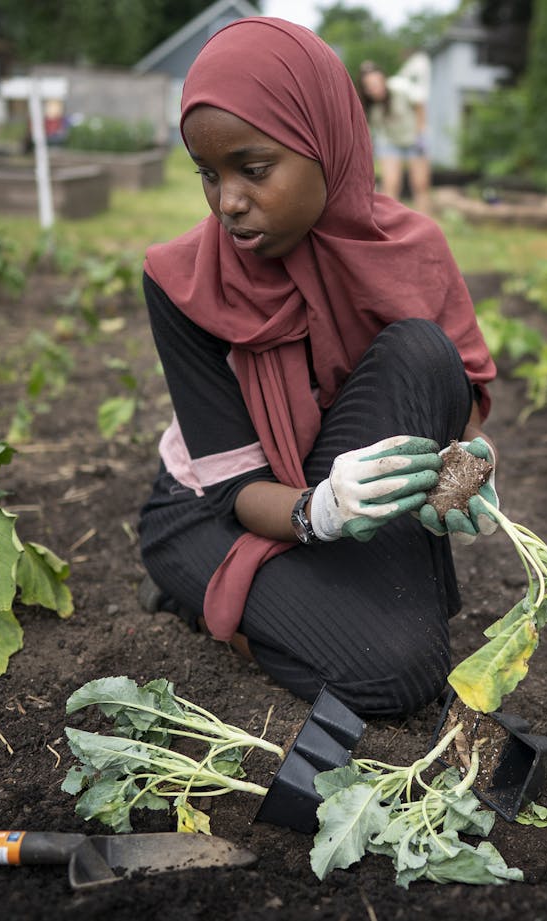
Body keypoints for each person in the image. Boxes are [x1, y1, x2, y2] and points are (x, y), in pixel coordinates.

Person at [135, 18, 499, 719]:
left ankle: (317, 599)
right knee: (402, 674)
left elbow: (453, 407)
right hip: (214, 511)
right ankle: (215, 604)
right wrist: (320, 509)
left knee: (424, 349)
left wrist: (464, 475)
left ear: (326, 143)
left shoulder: (409, 251)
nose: (228, 201)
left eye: (254, 168)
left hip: (331, 471)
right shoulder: (183, 281)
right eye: (208, 175)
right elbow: (235, 484)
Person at [360, 54, 432, 214]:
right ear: (365, 88)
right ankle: (390, 227)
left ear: (384, 81)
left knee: (420, 184)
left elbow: (420, 106)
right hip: (389, 143)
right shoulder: (368, 105)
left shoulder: (399, 88)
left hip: (414, 140)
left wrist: (421, 133)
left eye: (377, 83)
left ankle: (426, 225)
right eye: (370, 85)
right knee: (390, 184)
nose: (374, 88)